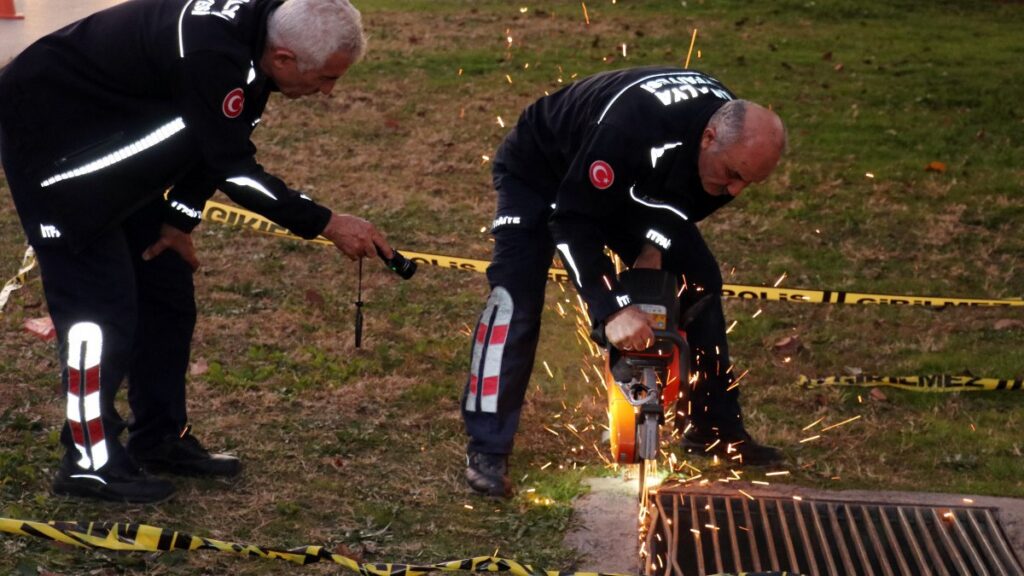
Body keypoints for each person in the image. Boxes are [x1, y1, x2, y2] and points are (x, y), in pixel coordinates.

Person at [0, 0, 395, 503]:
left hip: (118, 149)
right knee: (100, 314)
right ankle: (88, 460)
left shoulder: (256, 38)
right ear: (285, 57)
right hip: (57, 151)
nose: (328, 91)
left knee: (166, 293)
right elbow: (233, 166)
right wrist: (327, 223)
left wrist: (178, 219)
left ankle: (161, 438)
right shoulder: (213, 51)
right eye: (324, 78)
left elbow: (218, 136)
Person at [460, 66, 787, 497]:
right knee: (515, 295)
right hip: (542, 172)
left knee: (699, 279)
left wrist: (652, 255)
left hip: (627, 181)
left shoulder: (725, 144)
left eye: (750, 181)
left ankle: (712, 426)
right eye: (732, 174)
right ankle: (487, 448)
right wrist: (611, 307)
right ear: (708, 138)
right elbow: (572, 220)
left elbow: (679, 208)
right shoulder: (631, 127)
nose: (735, 191)